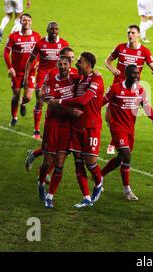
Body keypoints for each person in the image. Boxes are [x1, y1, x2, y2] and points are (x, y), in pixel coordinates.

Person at [51, 52, 104, 209]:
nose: (76, 64)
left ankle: (99, 182)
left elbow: (82, 101)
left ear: (87, 64)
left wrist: (60, 101)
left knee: (90, 163)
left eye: (79, 62)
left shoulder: (96, 80)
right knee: (78, 162)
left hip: (91, 127)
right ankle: (86, 198)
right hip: (76, 126)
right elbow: (65, 74)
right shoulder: (81, 79)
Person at [101, 64, 153, 201]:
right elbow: (101, 102)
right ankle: (127, 190)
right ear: (126, 74)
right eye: (133, 73)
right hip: (117, 127)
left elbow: (145, 105)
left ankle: (100, 175)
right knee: (126, 155)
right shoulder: (115, 88)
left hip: (130, 129)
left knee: (121, 158)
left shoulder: (140, 90)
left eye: (137, 73)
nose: (137, 76)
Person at [104, 24, 153, 154]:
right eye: (128, 33)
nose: (130, 35)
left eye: (133, 33)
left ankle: (115, 143)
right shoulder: (120, 47)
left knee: (127, 118)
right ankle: (118, 139)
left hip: (133, 90)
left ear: (138, 35)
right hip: (117, 87)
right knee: (109, 116)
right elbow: (107, 60)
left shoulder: (144, 51)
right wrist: (112, 69)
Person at [37, 55, 81, 208]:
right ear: (57, 65)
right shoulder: (51, 82)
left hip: (67, 126)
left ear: (70, 66)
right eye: (60, 64)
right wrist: (71, 111)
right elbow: (52, 104)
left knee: (60, 163)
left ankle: (50, 196)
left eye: (65, 64)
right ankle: (41, 182)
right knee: (48, 162)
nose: (62, 67)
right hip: (53, 124)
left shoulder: (75, 79)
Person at [24, 22, 69, 140]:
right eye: (52, 29)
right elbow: (30, 60)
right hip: (43, 76)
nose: (54, 31)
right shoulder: (40, 43)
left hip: (57, 77)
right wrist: (26, 76)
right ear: (47, 30)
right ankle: (37, 130)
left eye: (56, 29)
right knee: (40, 101)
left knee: (55, 104)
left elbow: (69, 62)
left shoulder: (64, 44)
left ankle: (55, 129)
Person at [3, 13, 40, 126]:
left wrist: (38, 61)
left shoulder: (36, 36)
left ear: (31, 22)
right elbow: (6, 52)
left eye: (29, 20)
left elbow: (39, 51)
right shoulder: (13, 36)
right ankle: (14, 117)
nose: (27, 22)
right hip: (17, 73)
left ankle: (23, 104)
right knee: (16, 95)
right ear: (20, 22)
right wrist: (10, 68)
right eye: (24, 20)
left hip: (30, 72)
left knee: (28, 97)